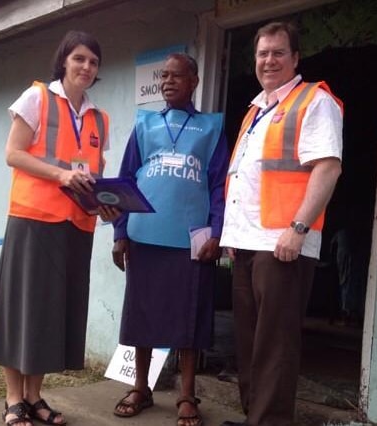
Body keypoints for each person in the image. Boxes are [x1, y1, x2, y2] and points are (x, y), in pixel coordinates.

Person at [0, 30, 119, 426]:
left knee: (49, 313)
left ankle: (35, 397)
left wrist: (105, 205)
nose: (86, 67)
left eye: (93, 62)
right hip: (33, 220)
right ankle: (13, 400)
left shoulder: (99, 118)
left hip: (76, 225)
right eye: (79, 59)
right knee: (21, 309)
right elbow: (13, 154)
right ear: (64, 61)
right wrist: (60, 175)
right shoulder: (36, 98)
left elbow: (94, 174)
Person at [219, 21, 343, 426]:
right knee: (250, 341)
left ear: (295, 58)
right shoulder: (257, 110)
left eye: (277, 52)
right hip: (248, 243)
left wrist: (299, 228)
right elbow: (245, 177)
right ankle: (254, 414)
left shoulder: (313, 101)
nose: (268, 60)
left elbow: (327, 168)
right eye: (262, 53)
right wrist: (231, 235)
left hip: (282, 243)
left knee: (275, 344)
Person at [111, 52, 229, 426]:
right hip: (144, 235)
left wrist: (217, 230)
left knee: (188, 318)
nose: (167, 82)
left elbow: (220, 185)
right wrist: (119, 233)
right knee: (142, 314)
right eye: (163, 76)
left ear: (194, 81)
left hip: (191, 239)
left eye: (176, 76)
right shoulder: (145, 125)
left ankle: (186, 395)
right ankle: (141, 387)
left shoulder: (210, 129)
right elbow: (125, 179)